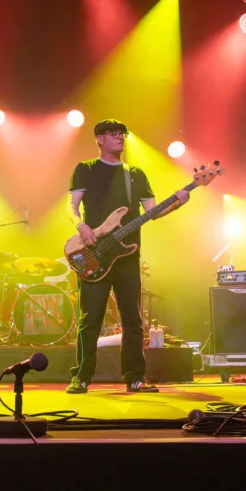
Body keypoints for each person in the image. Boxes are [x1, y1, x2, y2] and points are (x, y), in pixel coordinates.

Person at [65, 119, 189, 393]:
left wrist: (178, 202)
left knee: (132, 319)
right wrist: (81, 226)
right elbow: (71, 206)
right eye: (112, 134)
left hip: (127, 256)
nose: (119, 137)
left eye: (122, 134)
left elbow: (152, 212)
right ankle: (81, 377)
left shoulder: (135, 174)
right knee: (90, 319)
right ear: (99, 139)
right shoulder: (85, 169)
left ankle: (135, 377)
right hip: (94, 253)